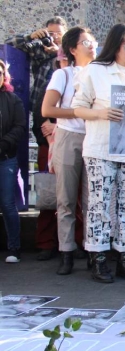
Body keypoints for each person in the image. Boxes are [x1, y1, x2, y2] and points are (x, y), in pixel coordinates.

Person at [72, 23, 125, 283]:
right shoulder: (96, 71)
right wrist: (100, 113)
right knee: (99, 204)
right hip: (101, 148)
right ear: (115, 45)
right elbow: (78, 108)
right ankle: (98, 257)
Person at [6, 16, 68, 261]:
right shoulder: (39, 52)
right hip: (43, 122)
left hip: (70, 123)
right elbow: (10, 44)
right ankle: (46, 242)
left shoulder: (70, 58)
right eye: (49, 33)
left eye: (58, 34)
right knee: (47, 186)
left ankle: (73, 243)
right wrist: (33, 37)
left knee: (73, 191)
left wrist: (59, 52)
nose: (53, 38)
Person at [41, 27, 97, 274]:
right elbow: (47, 110)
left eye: (93, 41)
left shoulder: (101, 73)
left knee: (92, 200)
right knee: (65, 198)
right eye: (85, 42)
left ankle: (93, 250)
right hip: (69, 136)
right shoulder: (63, 75)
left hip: (95, 138)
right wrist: (78, 112)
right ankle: (66, 251)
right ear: (73, 49)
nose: (91, 45)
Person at [0, 60, 26, 263]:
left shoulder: (12, 100)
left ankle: (14, 248)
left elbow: (19, 126)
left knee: (8, 204)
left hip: (5, 158)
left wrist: (3, 144)